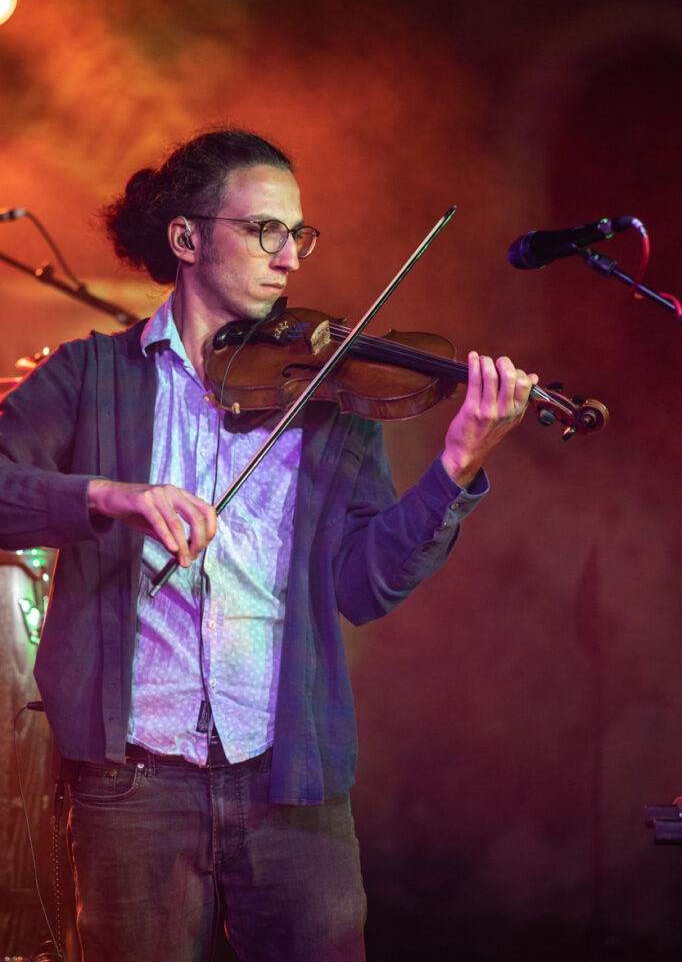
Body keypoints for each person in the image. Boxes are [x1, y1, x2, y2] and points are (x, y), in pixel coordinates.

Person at [0, 128, 537, 962]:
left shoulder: (327, 393)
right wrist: (108, 495)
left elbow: (363, 586)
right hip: (130, 785)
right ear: (187, 238)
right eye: (264, 231)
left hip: (290, 781)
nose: (289, 257)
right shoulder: (89, 376)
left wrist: (456, 468)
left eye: (298, 234)